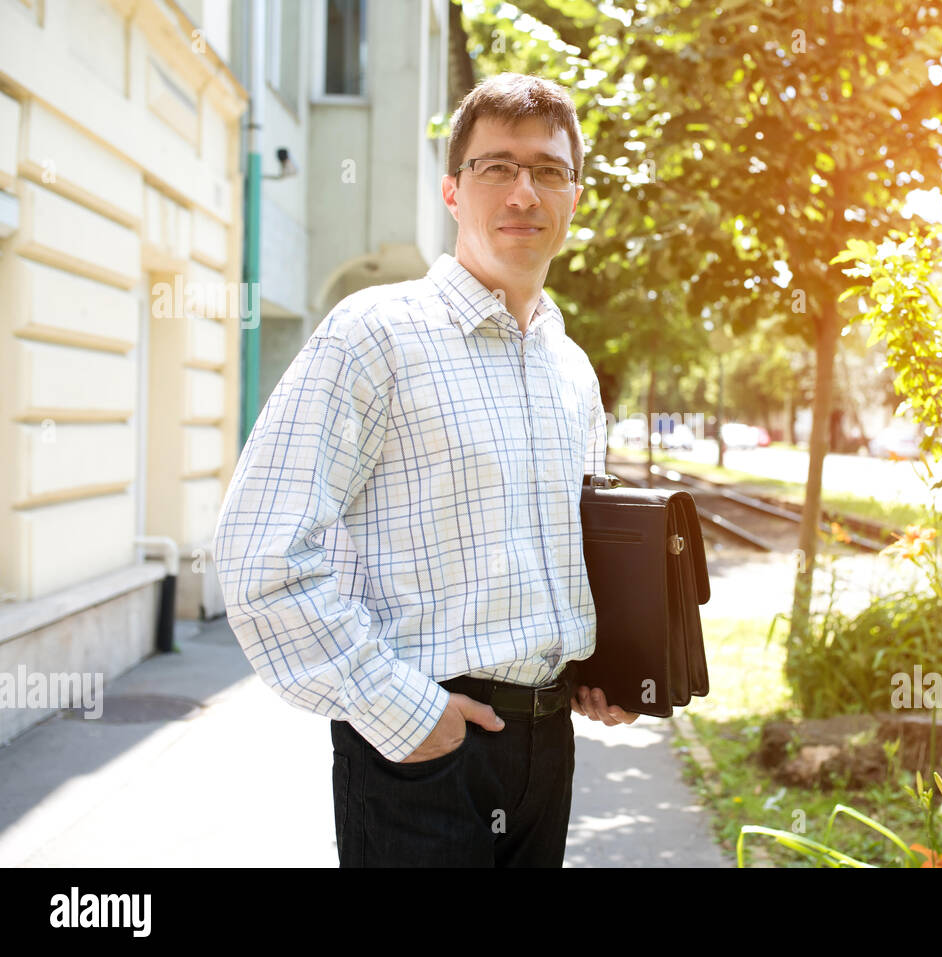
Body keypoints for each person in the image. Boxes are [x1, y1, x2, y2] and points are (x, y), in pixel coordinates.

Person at [213, 73, 635, 868]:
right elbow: (259, 551)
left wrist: (596, 666)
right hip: (422, 751)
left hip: (550, 747)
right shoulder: (375, 334)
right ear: (451, 189)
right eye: (495, 166)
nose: (523, 191)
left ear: (574, 196)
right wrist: (403, 712)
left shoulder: (572, 371)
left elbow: (564, 550)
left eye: (548, 169)